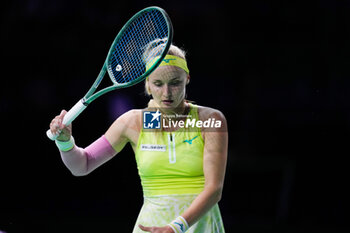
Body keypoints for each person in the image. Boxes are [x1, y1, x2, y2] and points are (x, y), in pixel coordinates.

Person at [49, 44, 228, 233]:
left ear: (187, 79)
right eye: (158, 84)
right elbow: (82, 165)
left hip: (200, 226)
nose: (166, 93)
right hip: (151, 227)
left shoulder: (210, 120)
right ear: (148, 84)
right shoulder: (133, 123)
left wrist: (176, 227)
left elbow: (214, 189)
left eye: (175, 83)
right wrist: (65, 142)